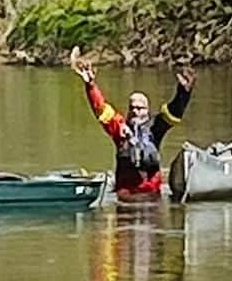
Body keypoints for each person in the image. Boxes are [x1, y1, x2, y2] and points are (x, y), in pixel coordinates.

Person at [70, 46, 196, 200]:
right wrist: (90, 85)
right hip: (126, 197)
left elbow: (174, 112)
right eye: (133, 108)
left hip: (152, 198)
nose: (136, 111)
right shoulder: (119, 127)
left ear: (147, 110)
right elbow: (100, 109)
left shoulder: (155, 127)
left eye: (140, 108)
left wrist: (184, 92)